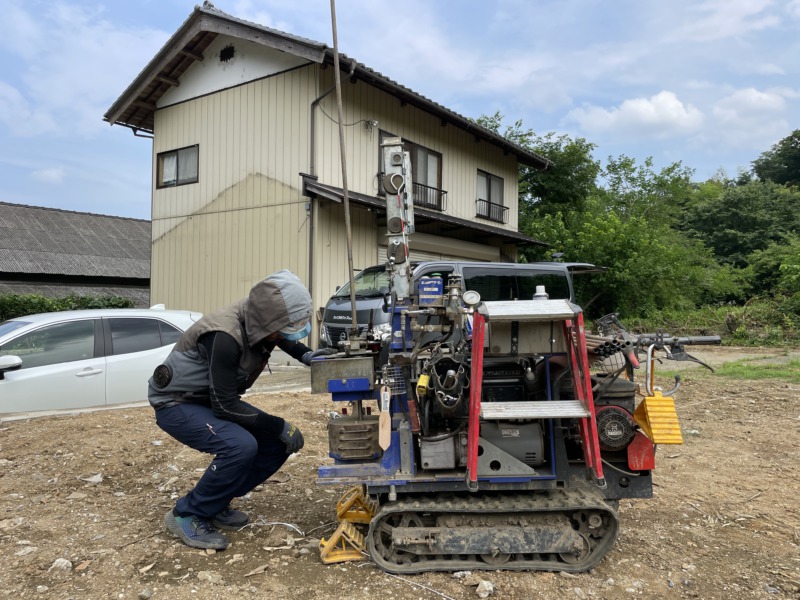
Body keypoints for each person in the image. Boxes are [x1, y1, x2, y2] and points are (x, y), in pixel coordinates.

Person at [148, 270, 334, 550]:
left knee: (278, 444)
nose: (282, 334)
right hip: (177, 402)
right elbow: (225, 406)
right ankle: (188, 513)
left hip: (208, 398)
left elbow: (279, 336)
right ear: (268, 322)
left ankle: (215, 502)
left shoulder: (260, 317)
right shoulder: (224, 336)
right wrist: (278, 424)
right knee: (240, 445)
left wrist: (305, 354)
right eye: (282, 328)